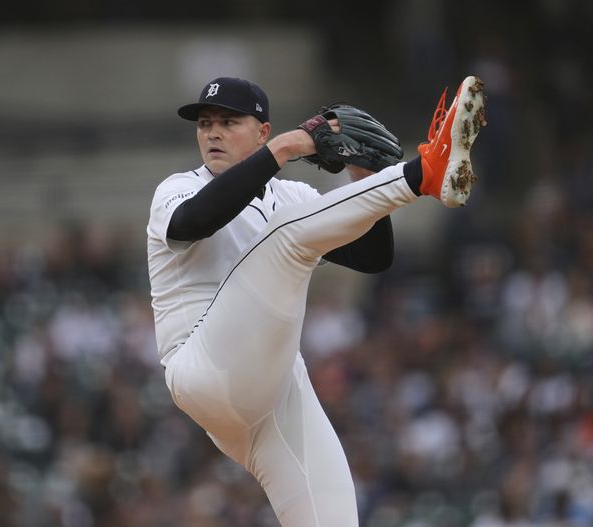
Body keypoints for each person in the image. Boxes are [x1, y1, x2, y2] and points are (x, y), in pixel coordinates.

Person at [146, 75, 486, 526]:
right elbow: (195, 220)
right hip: (201, 368)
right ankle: (426, 171)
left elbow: (372, 256)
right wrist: (288, 148)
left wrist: (366, 176)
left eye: (229, 121)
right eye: (205, 122)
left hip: (273, 397)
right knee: (287, 234)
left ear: (261, 130)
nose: (213, 132)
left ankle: (417, 174)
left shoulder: (294, 196)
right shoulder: (178, 188)